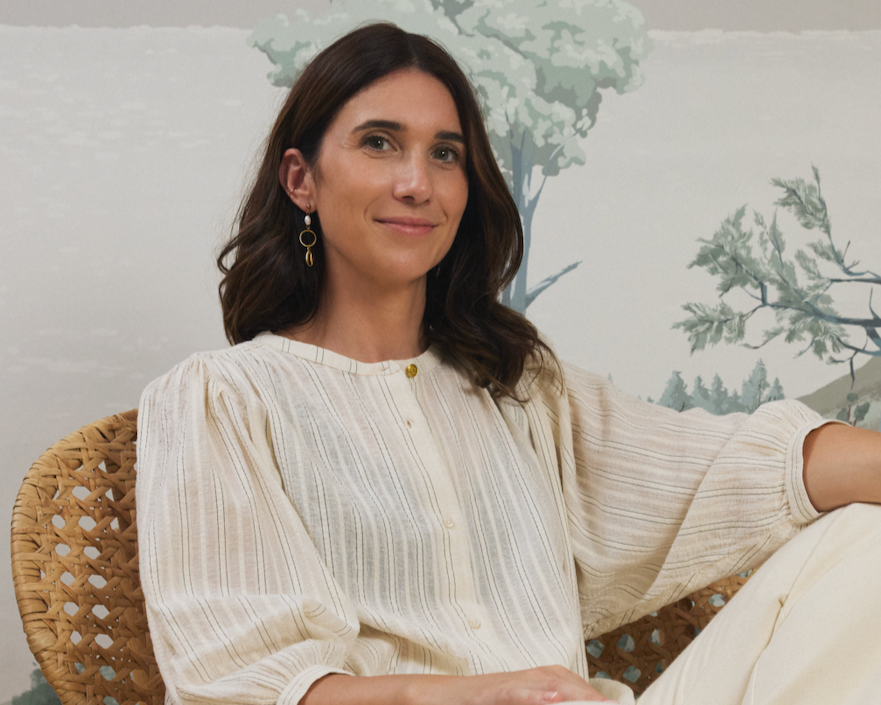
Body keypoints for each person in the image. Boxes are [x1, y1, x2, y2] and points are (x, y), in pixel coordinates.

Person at [137, 22, 881, 705]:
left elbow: (736, 470)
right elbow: (238, 684)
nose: (416, 184)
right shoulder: (222, 399)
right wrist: (478, 693)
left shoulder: (515, 385)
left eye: (445, 153)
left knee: (864, 544)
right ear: (301, 179)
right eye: (379, 143)